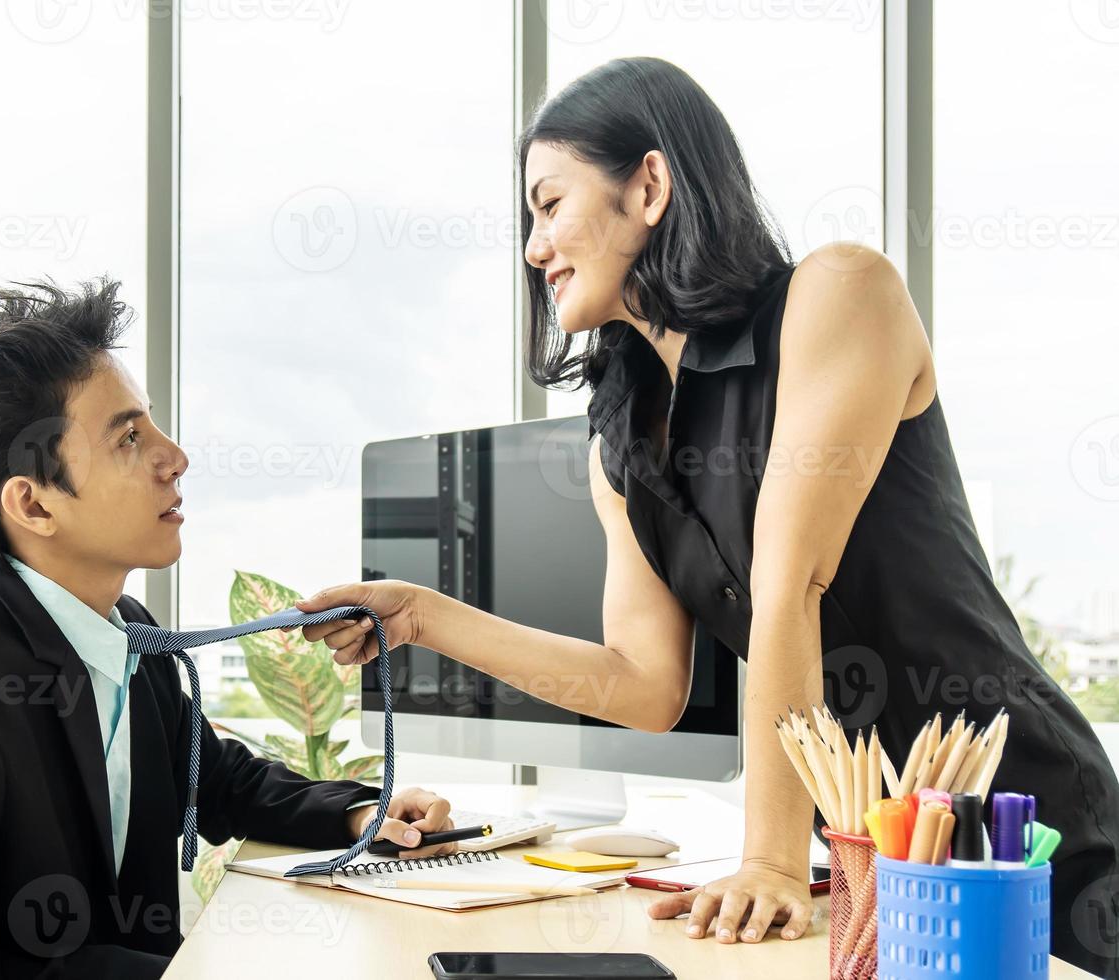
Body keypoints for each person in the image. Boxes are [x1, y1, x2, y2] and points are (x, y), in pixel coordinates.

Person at [294, 57, 1119, 977]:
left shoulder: (837, 296)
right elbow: (644, 686)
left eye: (549, 203)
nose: (534, 247)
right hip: (868, 865)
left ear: (649, 185)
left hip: (1017, 835)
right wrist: (423, 616)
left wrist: (766, 858)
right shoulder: (619, 445)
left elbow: (788, 585)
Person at [0, 279, 455, 979]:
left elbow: (214, 782)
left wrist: (360, 815)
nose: (174, 455)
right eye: (128, 437)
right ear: (33, 503)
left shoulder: (124, 633)